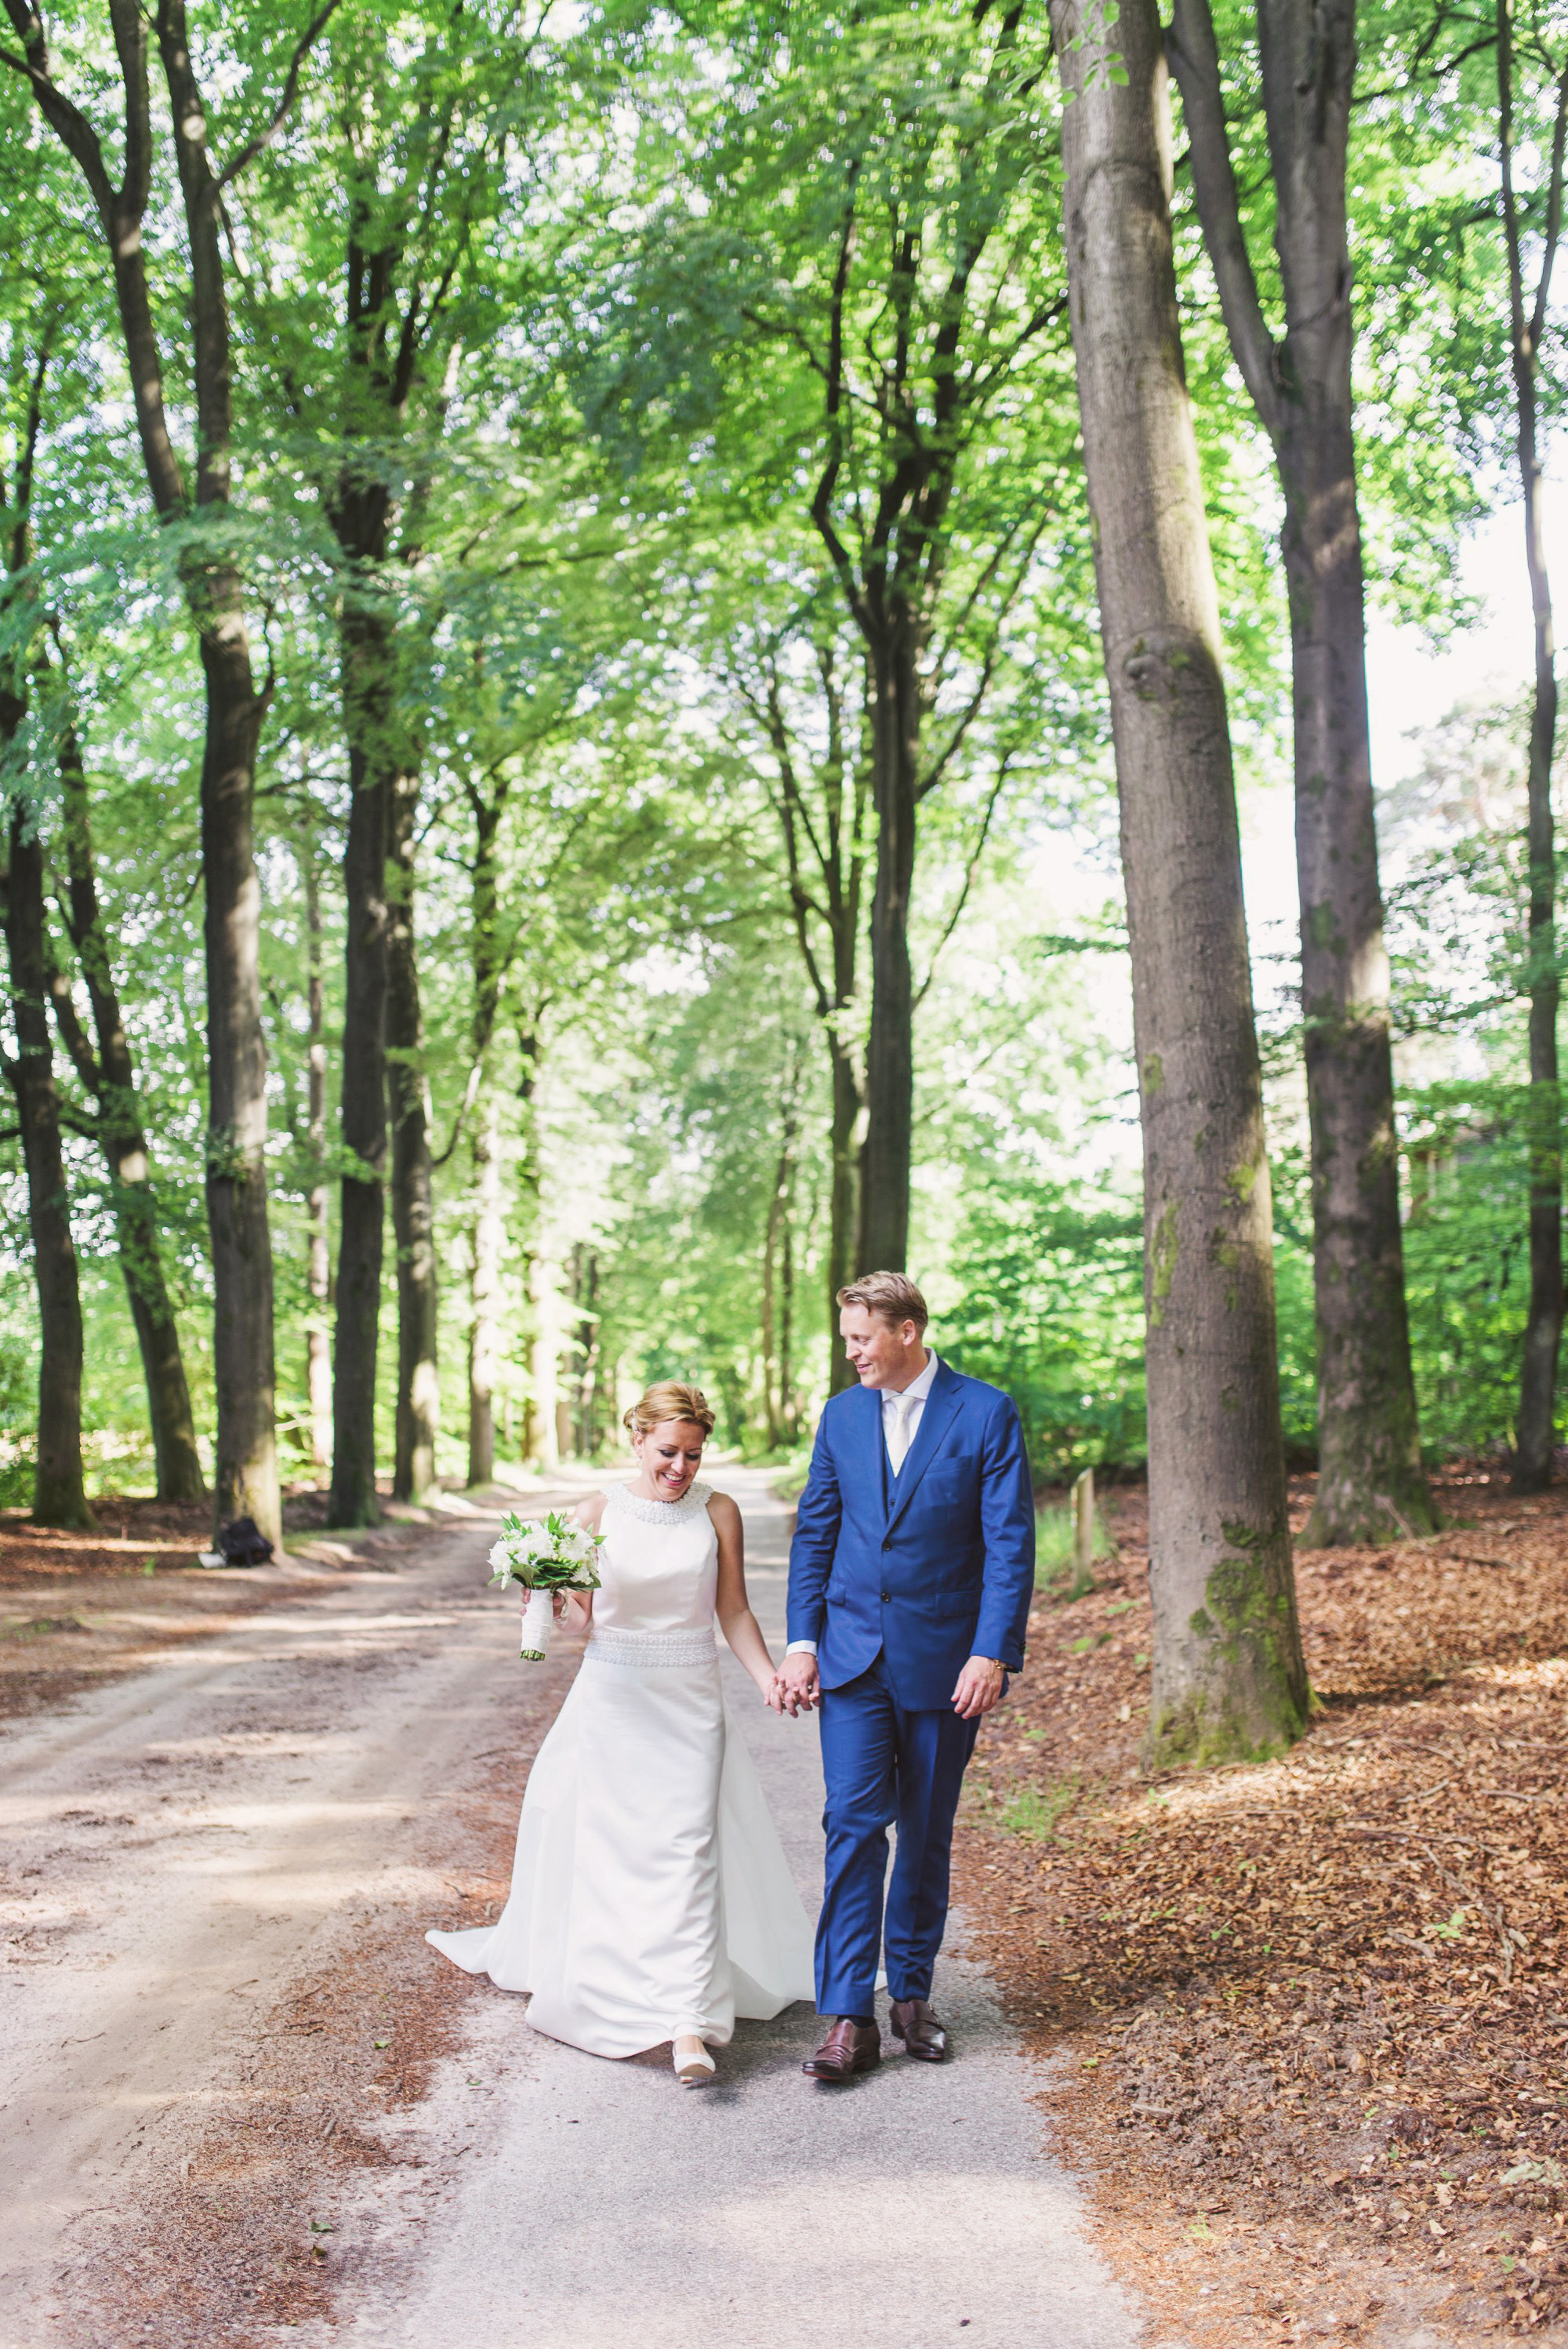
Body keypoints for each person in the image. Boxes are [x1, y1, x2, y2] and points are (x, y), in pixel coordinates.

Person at [427, 1381, 815, 2086]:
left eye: (694, 1456)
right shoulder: (596, 1511)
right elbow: (582, 1624)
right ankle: (616, 1994)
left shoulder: (719, 1511)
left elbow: (732, 1611)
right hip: (615, 1697)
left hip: (692, 1702)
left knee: (689, 1853)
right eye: (669, 1452)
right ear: (636, 1439)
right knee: (615, 1854)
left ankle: (688, 2023)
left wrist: (765, 1677)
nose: (681, 1469)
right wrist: (547, 1598)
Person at [779, 1272, 1034, 2082]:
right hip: (852, 1658)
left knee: (924, 1831)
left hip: (944, 1662)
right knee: (851, 1826)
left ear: (908, 1331)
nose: (850, 1351)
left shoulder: (984, 1410)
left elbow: (1008, 1543)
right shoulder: (839, 1415)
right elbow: (814, 1532)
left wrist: (990, 1651)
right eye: (848, 1337)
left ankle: (912, 1997)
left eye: (861, 1336)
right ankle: (846, 2011)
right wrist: (800, 1641)